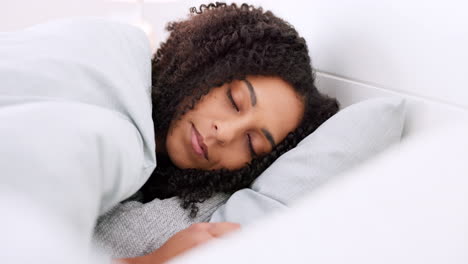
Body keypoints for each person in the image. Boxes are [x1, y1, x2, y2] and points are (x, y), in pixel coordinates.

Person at [114, 2, 338, 263]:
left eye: (251, 143)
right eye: (234, 100)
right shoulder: (111, 91)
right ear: (204, 64)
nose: (225, 133)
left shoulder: (193, 211)